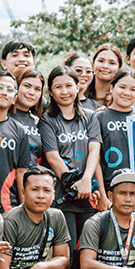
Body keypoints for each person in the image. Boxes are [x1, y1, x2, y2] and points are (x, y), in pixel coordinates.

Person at [0, 167, 81, 269]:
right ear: (23, 192)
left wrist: (42, 266)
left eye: (46, 190)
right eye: (35, 189)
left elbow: (63, 258)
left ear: (53, 194)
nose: (41, 195)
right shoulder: (10, 220)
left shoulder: (56, 216)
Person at [40, 64, 107, 241]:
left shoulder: (90, 116)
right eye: (58, 87)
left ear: (77, 87)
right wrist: (77, 185)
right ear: (51, 92)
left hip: (89, 195)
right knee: (66, 248)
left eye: (69, 85)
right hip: (62, 196)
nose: (64, 91)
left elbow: (94, 150)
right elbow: (53, 158)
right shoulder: (47, 120)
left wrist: (87, 181)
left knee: (88, 247)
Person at [0, 71, 29, 210]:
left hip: (8, 202)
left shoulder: (19, 130)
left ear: (14, 99)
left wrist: (24, 206)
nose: (4, 92)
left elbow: (21, 171)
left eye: (10, 90)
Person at [98, 69, 135, 189]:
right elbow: (94, 159)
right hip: (109, 186)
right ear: (112, 88)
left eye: (133, 89)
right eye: (122, 87)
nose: (127, 93)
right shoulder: (98, 117)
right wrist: (102, 192)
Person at [89, 43, 125, 109]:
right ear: (93, 65)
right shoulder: (80, 96)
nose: (105, 66)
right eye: (101, 61)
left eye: (112, 63)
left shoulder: (123, 98)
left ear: (119, 68)